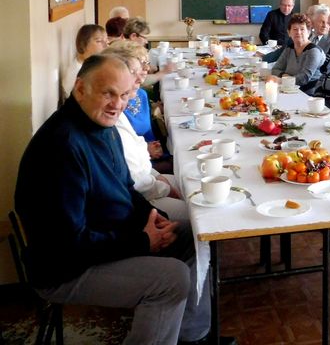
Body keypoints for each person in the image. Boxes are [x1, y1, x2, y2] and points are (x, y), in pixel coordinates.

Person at [14, 55, 232, 344]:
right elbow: (68, 244)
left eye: (125, 95)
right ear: (80, 88)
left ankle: (193, 336)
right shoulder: (62, 146)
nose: (117, 104)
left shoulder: (104, 126)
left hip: (105, 238)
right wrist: (142, 242)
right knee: (172, 280)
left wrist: (154, 217)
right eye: (108, 93)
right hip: (65, 268)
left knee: (191, 236)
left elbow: (126, 188)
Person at [103, 44, 188, 222]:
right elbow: (135, 180)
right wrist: (166, 189)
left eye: (144, 66)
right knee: (192, 218)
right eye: (133, 71)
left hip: (147, 178)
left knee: (189, 182)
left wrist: (157, 177)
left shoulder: (120, 108)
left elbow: (139, 152)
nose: (142, 74)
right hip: (135, 198)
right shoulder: (110, 117)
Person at [268, 13, 325, 91]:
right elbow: (275, 69)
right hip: (289, 88)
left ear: (308, 32)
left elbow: (304, 78)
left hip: (308, 92)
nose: (298, 32)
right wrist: (285, 76)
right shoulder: (289, 49)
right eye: (295, 29)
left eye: (302, 29)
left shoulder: (314, 51)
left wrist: (282, 80)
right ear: (289, 32)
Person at [60, 24, 108, 101]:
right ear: (83, 44)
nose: (106, 45)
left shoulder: (93, 64)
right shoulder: (76, 72)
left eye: (106, 41)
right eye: (99, 41)